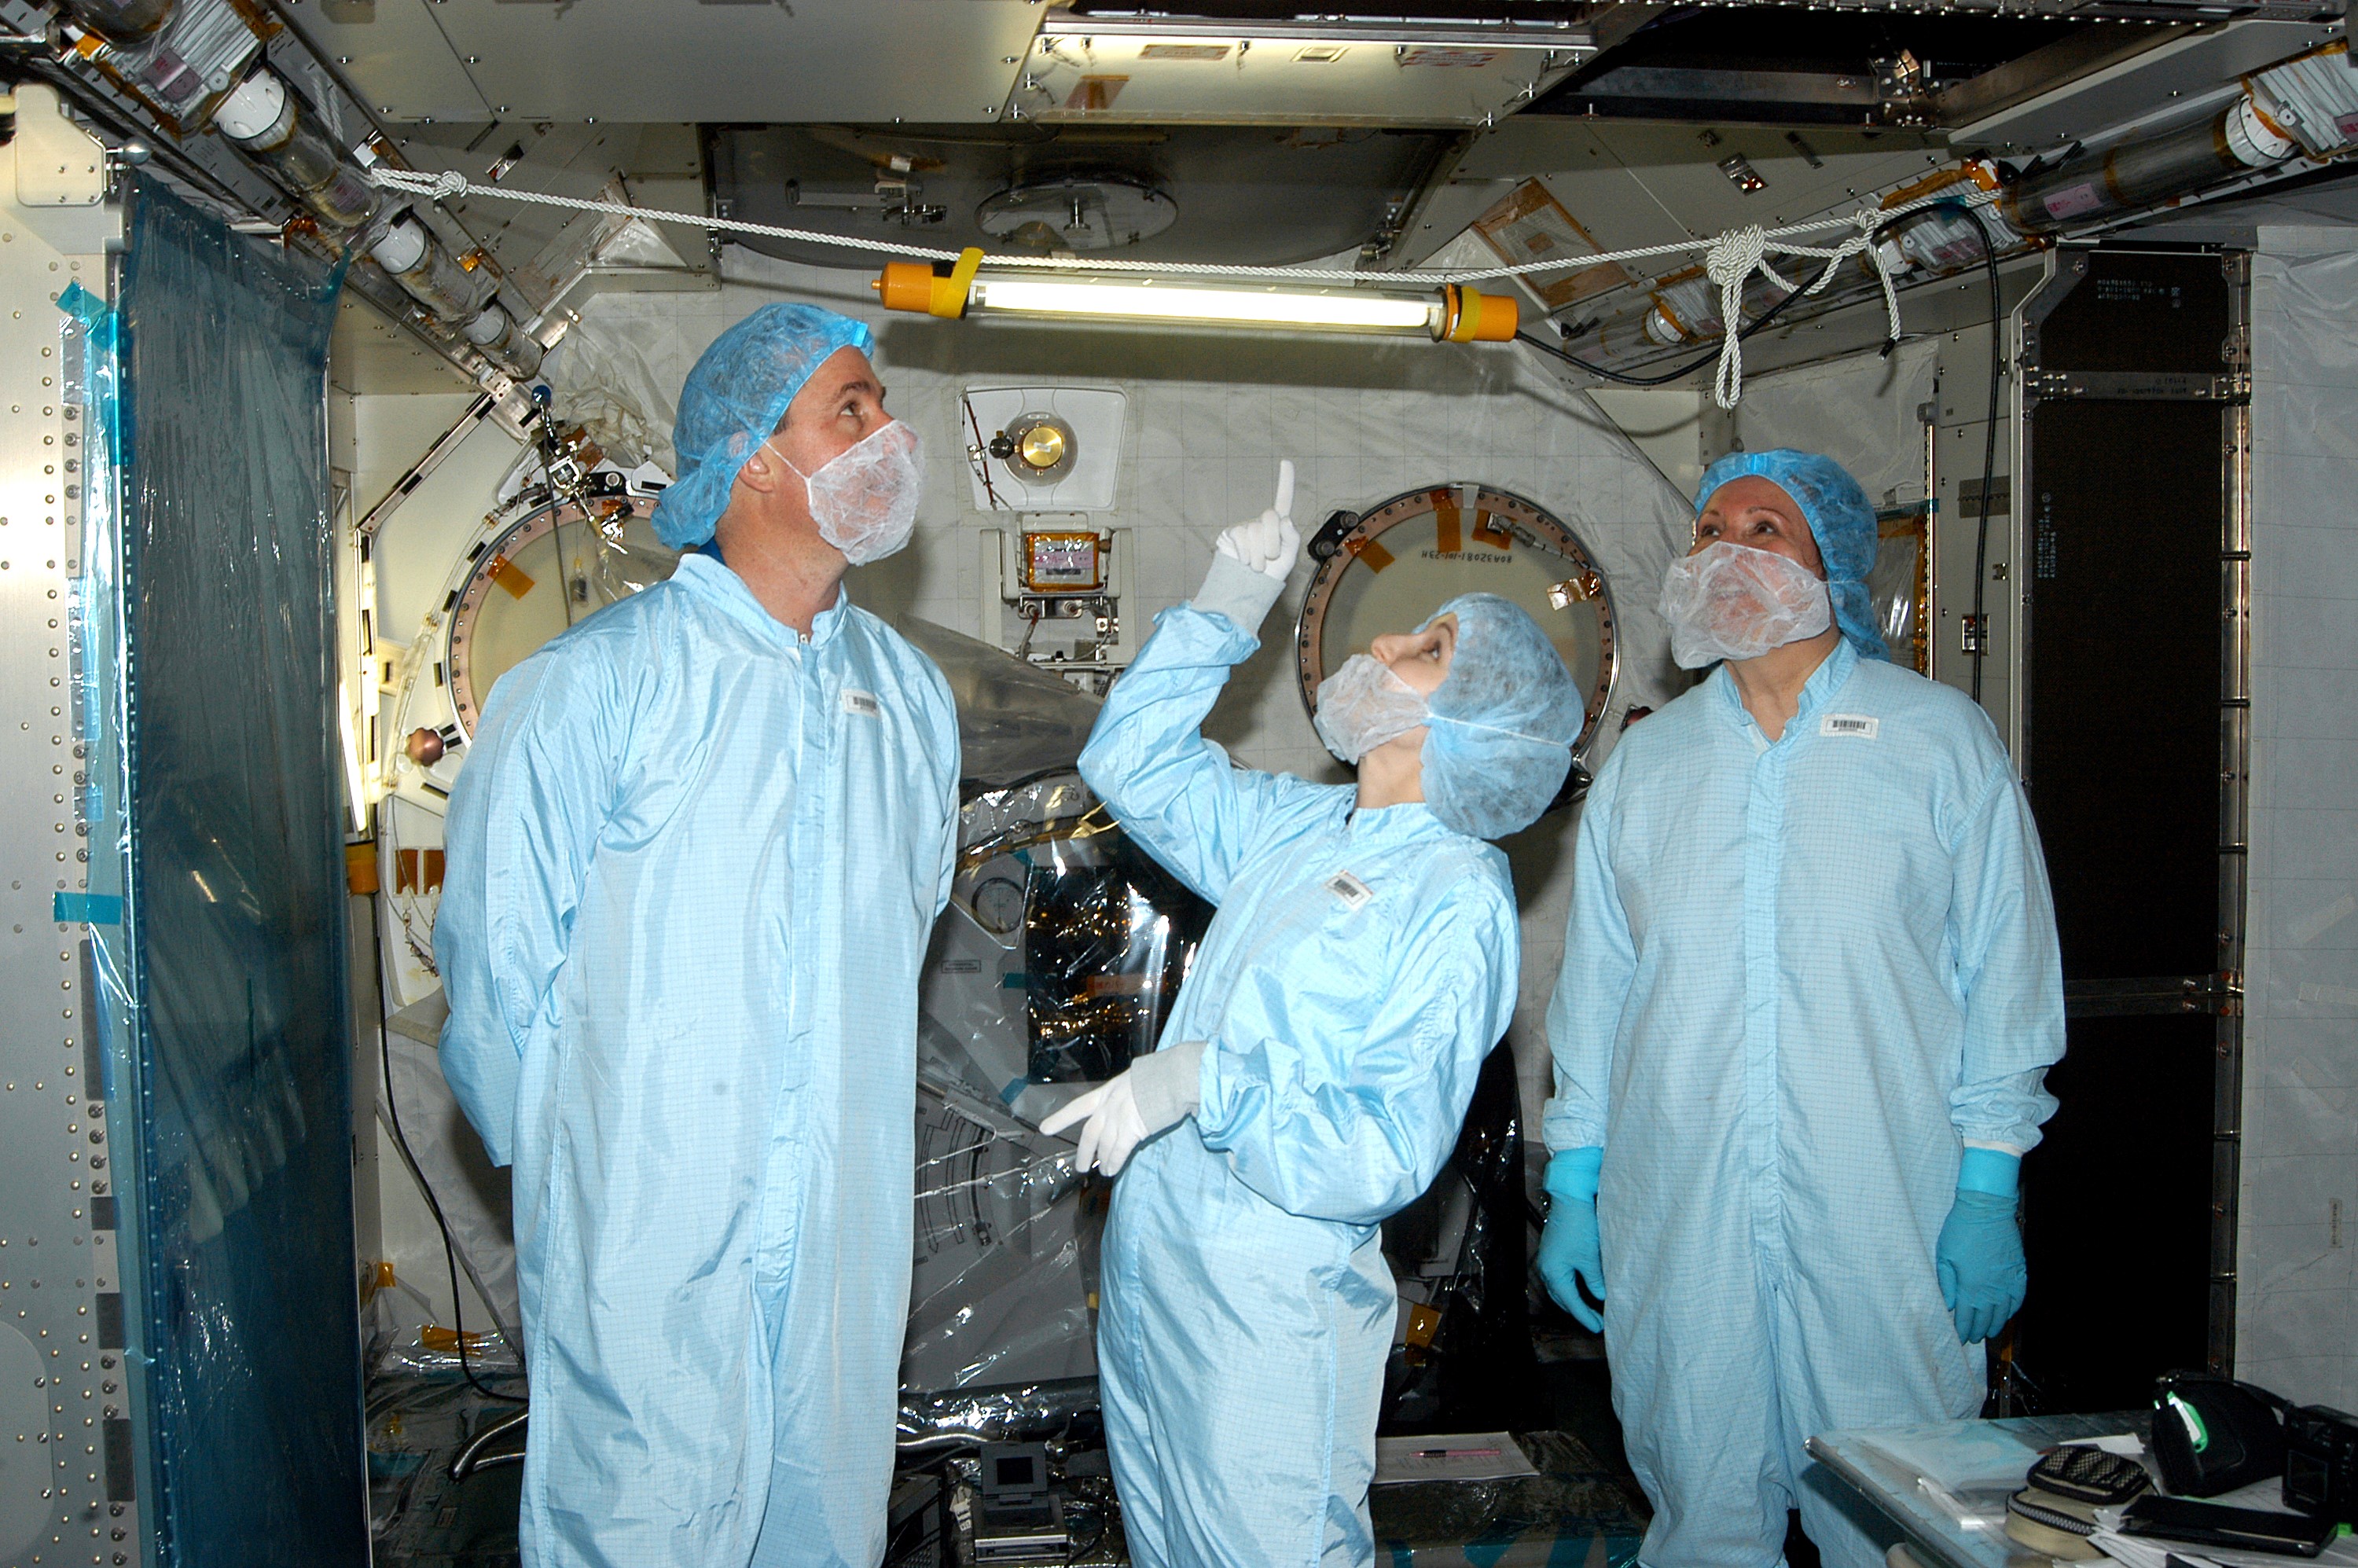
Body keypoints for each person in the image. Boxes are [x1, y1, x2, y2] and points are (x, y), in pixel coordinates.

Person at [436, 303, 960, 1568]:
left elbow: (911, 927)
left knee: (821, 1513)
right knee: (640, 1517)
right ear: (753, 458)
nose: (887, 433)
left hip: (842, 1223)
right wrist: (601, 1186)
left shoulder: (910, 698)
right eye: (852, 408)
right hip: (649, 1221)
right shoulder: (591, 688)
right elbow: (496, 983)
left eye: (879, 403)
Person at [1043, 464, 1585, 1566]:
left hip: (1270, 1307)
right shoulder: (1301, 829)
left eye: (1424, 651)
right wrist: (1228, 600)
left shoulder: (1455, 900)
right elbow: (1129, 765)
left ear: (1479, 725)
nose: (1381, 647)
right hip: (1162, 1269)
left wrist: (1209, 1082)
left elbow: (1382, 1154)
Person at [1537, 450, 2065, 1568]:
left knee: (1902, 1514)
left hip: (1886, 1207)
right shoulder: (1652, 764)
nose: (1727, 548)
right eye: (1710, 527)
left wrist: (1989, 1183)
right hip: (1681, 1212)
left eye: (1765, 528)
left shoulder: (1938, 741)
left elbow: (2008, 977)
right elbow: (1600, 989)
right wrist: (1575, 1176)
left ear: (1835, 566)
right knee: (1699, 1502)